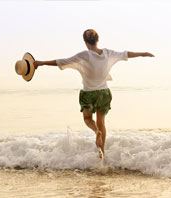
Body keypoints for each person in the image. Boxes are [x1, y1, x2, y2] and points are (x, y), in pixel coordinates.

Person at [33, 29, 154, 158]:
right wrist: (143, 53)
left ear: (85, 42)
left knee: (87, 119)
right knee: (101, 121)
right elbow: (126, 54)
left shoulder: (84, 55)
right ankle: (102, 152)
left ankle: (96, 132)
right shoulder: (108, 53)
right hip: (104, 93)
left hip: (88, 94)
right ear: (97, 40)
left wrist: (41, 63)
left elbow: (62, 61)